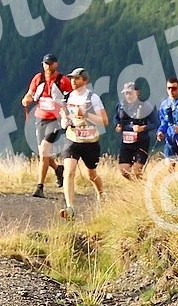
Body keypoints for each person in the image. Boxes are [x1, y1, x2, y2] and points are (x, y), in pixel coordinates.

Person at [57, 67, 108, 220]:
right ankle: (70, 207)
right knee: (69, 172)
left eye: (77, 78)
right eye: (71, 78)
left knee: (91, 174)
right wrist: (64, 120)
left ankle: (101, 194)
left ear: (85, 81)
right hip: (72, 139)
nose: (73, 81)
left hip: (90, 141)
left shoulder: (93, 98)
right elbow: (64, 117)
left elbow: (104, 121)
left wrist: (85, 114)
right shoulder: (67, 97)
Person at [22, 54, 71, 198]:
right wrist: (26, 100)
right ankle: (58, 169)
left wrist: (68, 115)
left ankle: (40, 187)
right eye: (45, 63)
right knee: (43, 153)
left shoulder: (63, 81)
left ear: (56, 64)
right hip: (40, 118)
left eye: (50, 63)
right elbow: (30, 94)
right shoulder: (38, 78)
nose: (48, 66)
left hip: (55, 120)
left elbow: (71, 98)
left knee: (43, 151)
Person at [113, 80, 157, 182]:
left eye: (130, 93)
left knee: (137, 170)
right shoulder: (120, 106)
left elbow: (155, 123)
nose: (128, 96)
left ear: (137, 92)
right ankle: (138, 184)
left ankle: (139, 185)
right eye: (126, 93)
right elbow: (116, 118)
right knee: (124, 171)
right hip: (126, 142)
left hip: (141, 142)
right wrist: (117, 125)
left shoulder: (146, 106)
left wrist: (143, 128)